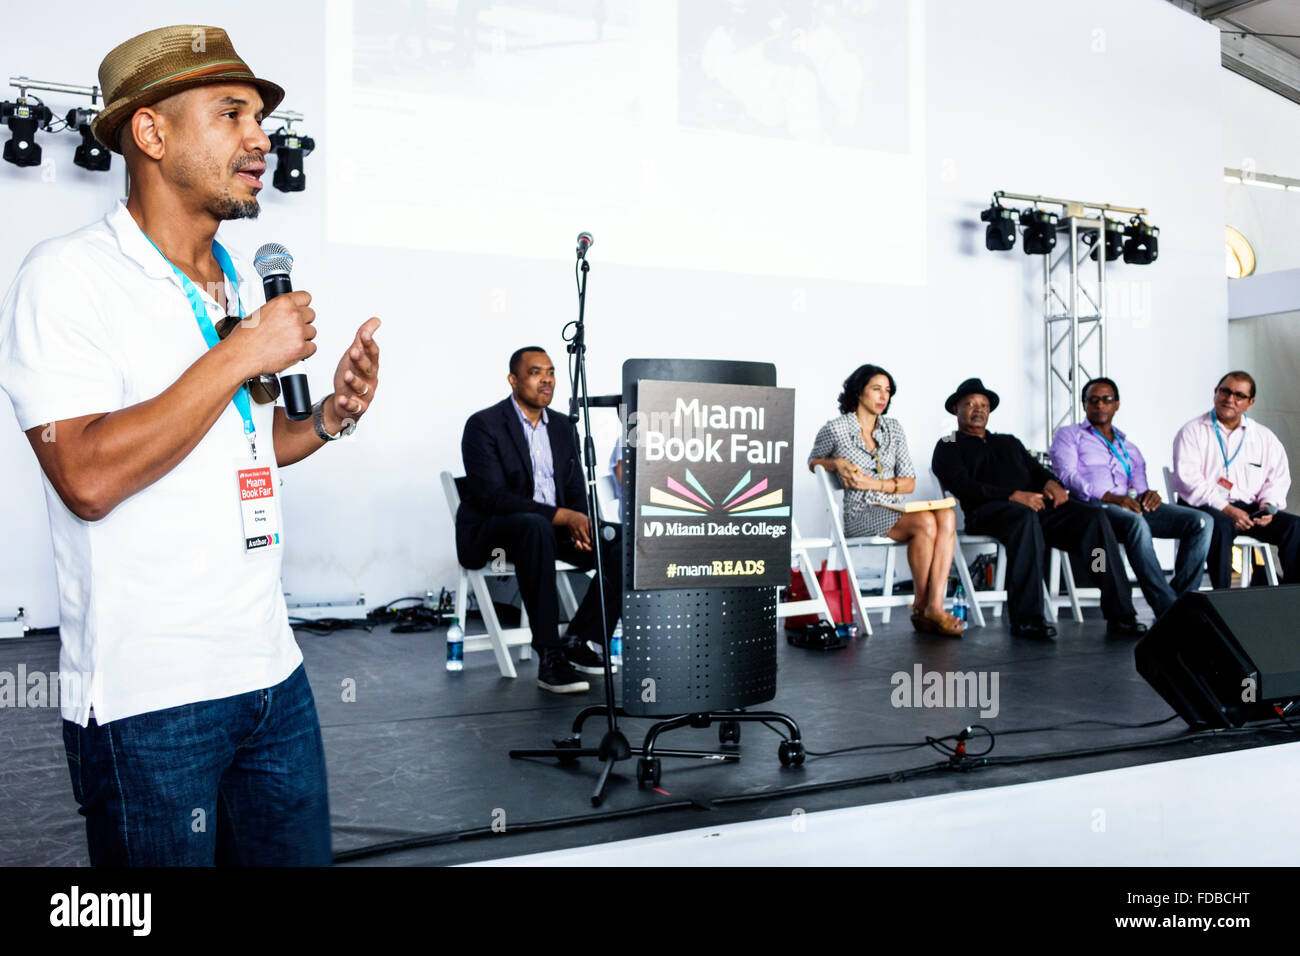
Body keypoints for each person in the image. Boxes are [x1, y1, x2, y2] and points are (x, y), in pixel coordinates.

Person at [0, 26, 382, 865]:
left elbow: (241, 446)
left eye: (261, 118)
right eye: (233, 113)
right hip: (151, 703)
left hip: (271, 676)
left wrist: (326, 419)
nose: (261, 140)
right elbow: (89, 475)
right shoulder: (65, 278)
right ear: (151, 132)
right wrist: (242, 351)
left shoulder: (238, 278)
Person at [457, 347, 622, 693]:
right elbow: (493, 498)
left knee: (619, 540)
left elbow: (575, 488)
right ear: (513, 380)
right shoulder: (483, 425)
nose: (546, 379)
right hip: (496, 532)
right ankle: (549, 656)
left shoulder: (563, 426)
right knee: (536, 526)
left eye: (550, 371)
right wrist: (564, 516)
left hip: (551, 530)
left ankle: (579, 640)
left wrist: (581, 520)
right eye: (535, 372)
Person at [930, 378, 1146, 641]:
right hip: (989, 513)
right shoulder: (948, 445)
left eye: (984, 405)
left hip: (1035, 510)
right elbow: (964, 486)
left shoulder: (1008, 442)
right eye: (971, 404)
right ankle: (1027, 619)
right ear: (956, 409)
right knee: (1025, 519)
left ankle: (1120, 614)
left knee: (1095, 519)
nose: (979, 410)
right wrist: (1013, 496)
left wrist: (1051, 483)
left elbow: (1036, 470)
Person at [809, 364, 961, 636]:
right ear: (858, 392)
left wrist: (875, 483)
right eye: (876, 389)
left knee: (946, 516)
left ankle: (933, 605)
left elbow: (909, 482)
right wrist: (836, 462)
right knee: (926, 521)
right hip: (859, 513)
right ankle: (925, 606)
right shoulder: (836, 428)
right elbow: (814, 462)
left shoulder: (893, 429)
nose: (883, 396)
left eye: (888, 391)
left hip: (892, 508)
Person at [1050, 377, 1211, 617]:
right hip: (1095, 508)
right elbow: (1067, 475)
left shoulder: (1129, 447)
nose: (1100, 405)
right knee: (1136, 524)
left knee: (1202, 522)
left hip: (1130, 505)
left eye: (1106, 400)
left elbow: (1138, 482)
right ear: (1084, 405)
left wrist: (1149, 495)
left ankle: (1183, 601)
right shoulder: (1069, 435)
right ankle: (1167, 608)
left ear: (1117, 404)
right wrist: (1111, 497)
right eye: (1093, 400)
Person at [1172, 371, 1299, 587]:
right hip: (1204, 506)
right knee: (1220, 524)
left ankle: (1293, 597)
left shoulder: (1263, 437)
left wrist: (1269, 506)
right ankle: (1223, 598)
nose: (1230, 399)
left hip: (1250, 509)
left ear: (1250, 403)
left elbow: (1277, 479)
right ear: (1215, 393)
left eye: (1239, 395)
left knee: (1295, 527)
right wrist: (1227, 509)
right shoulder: (1192, 431)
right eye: (1225, 391)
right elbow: (1189, 481)